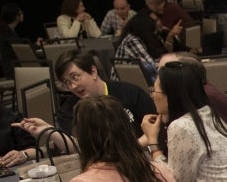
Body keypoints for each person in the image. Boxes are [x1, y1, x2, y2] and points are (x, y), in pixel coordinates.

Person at [25, 49, 155, 141]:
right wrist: (48, 130)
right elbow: (77, 146)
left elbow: (156, 126)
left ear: (93, 72)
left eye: (75, 77)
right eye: (67, 82)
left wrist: (133, 149)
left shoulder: (129, 93)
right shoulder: (69, 109)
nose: (73, 86)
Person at [115, 12, 168, 85]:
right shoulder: (132, 41)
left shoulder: (141, 39)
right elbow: (152, 66)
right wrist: (170, 61)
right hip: (124, 84)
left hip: (140, 80)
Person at [0, 2, 28, 79]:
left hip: (14, 66)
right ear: (16, 16)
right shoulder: (7, 33)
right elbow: (21, 50)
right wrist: (37, 45)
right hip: (13, 70)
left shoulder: (6, 29)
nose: (22, 14)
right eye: (21, 12)